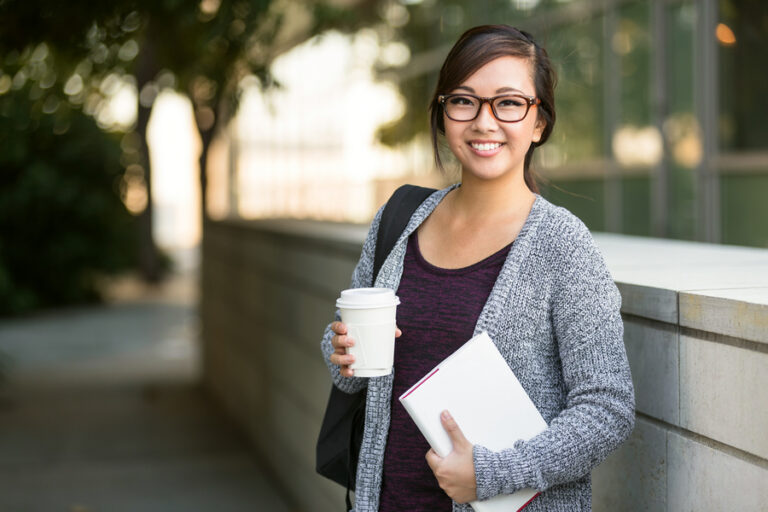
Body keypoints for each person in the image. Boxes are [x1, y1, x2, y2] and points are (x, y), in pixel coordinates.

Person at [321, 24, 634, 512]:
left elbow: (607, 408)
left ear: (539, 123)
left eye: (508, 103)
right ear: (443, 113)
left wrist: (492, 474)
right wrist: (340, 350)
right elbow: (350, 361)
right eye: (464, 101)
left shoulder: (563, 245)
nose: (484, 122)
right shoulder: (399, 220)